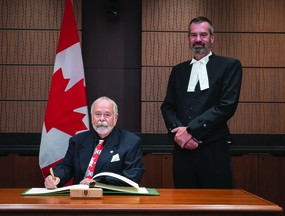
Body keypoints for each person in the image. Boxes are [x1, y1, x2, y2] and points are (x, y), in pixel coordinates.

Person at [161, 16, 242, 189]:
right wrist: (180, 135)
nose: (198, 39)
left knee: (217, 204)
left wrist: (191, 130)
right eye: (194, 35)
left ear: (212, 38)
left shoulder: (229, 65)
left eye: (203, 35)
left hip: (213, 150)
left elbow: (226, 106)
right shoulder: (178, 70)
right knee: (183, 203)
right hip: (182, 150)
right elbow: (168, 106)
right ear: (188, 38)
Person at [44, 96, 144, 189]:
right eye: (98, 114)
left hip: (111, 199)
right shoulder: (78, 140)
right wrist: (56, 177)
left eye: (107, 115)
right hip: (79, 199)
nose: (101, 119)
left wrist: (96, 183)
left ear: (115, 118)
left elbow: (132, 176)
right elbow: (66, 167)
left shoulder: (131, 142)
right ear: (92, 117)